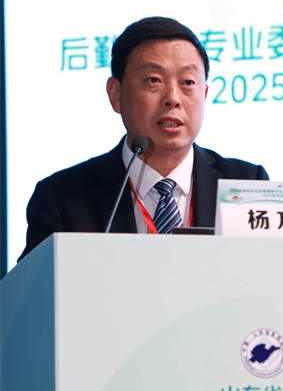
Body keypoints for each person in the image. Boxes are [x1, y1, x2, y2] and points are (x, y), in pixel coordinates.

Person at [19, 17, 269, 260]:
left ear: (204, 94)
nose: (173, 98)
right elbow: (32, 287)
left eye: (187, 82)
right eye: (153, 80)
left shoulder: (247, 183)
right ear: (116, 94)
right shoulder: (61, 198)